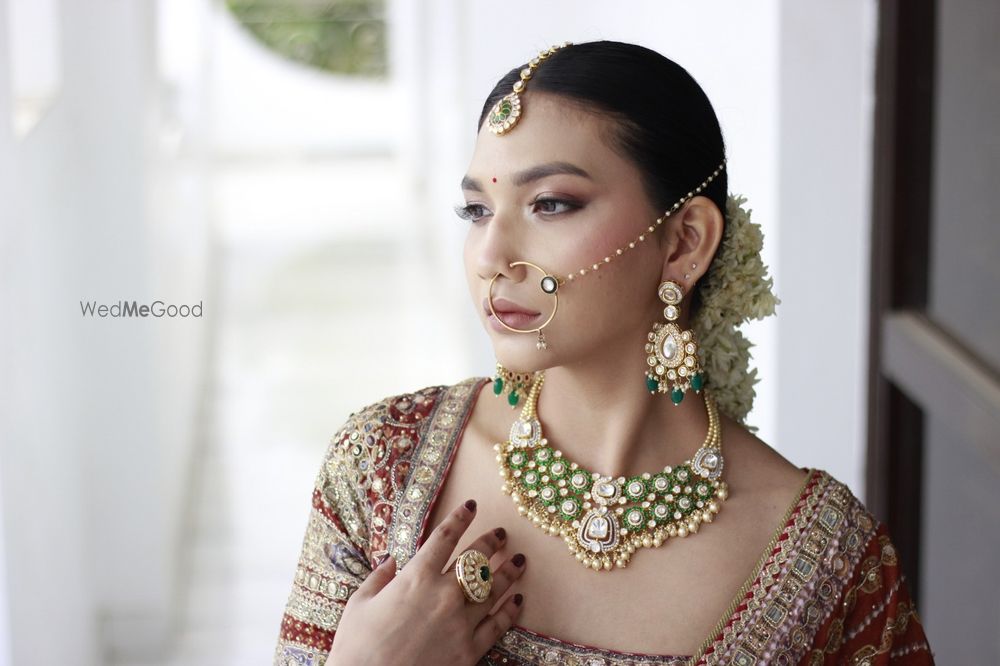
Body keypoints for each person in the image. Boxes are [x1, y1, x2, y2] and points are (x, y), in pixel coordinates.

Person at [273, 40, 934, 665]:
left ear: (684, 243)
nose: (490, 255)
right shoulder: (381, 465)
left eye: (550, 204)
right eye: (476, 210)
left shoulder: (828, 564)